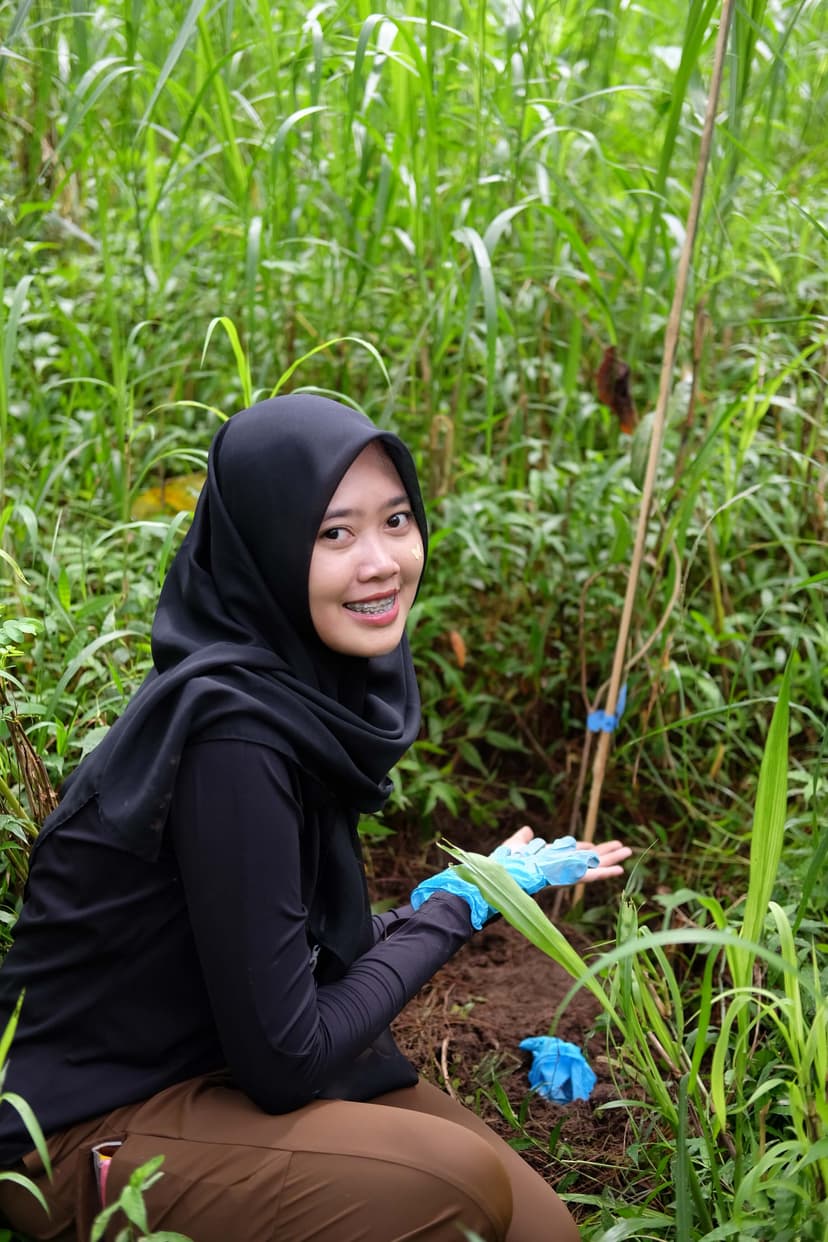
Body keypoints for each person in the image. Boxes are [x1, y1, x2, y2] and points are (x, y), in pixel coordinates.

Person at [0, 396, 629, 1241]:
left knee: (537, 1228)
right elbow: (288, 1058)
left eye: (396, 520)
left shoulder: (298, 693)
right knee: (456, 1188)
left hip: (211, 1054)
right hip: (81, 1126)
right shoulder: (234, 733)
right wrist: (454, 909)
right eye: (333, 534)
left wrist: (442, 896)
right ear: (263, 545)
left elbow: (274, 957)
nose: (381, 563)